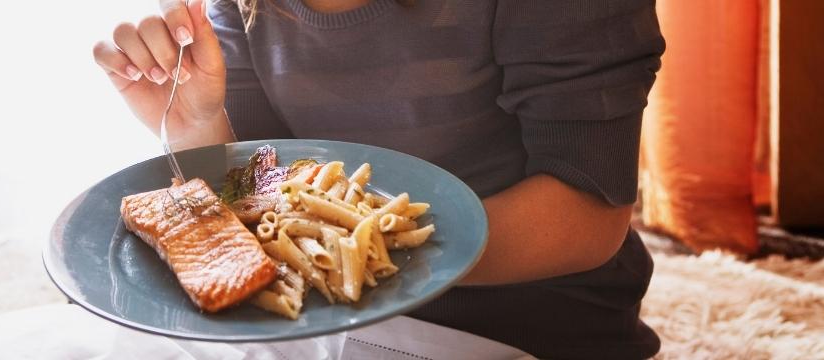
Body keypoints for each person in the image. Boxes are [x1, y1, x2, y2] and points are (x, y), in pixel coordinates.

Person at [93, 0, 665, 358]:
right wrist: (201, 127)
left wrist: (355, 253)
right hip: (318, 320)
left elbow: (587, 216)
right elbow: (266, 190)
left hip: (524, 325)